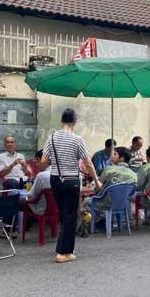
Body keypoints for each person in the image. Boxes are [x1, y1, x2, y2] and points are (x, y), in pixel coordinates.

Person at [41, 108, 100, 264]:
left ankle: (65, 246)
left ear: (62, 121)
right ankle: (63, 252)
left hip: (55, 179)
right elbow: (88, 163)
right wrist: (97, 180)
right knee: (70, 215)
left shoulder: (51, 137)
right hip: (71, 181)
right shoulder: (77, 139)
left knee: (63, 213)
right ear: (74, 122)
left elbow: (43, 162)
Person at [85, 146, 138, 215]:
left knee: (85, 202)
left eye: (115, 154)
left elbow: (98, 188)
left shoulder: (109, 170)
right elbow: (132, 194)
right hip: (123, 206)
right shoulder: (134, 175)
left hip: (106, 205)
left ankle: (99, 219)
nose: (112, 156)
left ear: (122, 158)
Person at [25, 149, 51, 216]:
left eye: (38, 161)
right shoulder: (66, 174)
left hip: (42, 209)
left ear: (45, 160)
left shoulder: (41, 176)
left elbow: (31, 197)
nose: (36, 164)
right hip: (60, 208)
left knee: (20, 201)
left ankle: (18, 225)